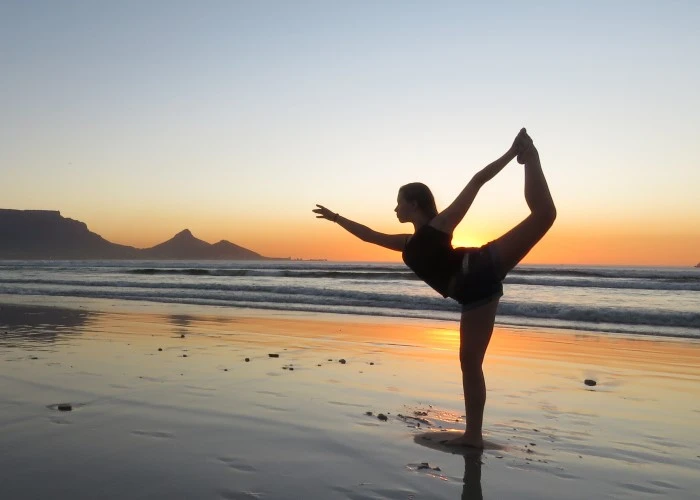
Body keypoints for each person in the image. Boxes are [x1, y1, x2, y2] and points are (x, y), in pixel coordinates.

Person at [313, 128, 556, 448]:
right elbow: (368, 235)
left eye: (399, 203)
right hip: (472, 294)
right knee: (469, 362)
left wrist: (512, 154)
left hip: (481, 267)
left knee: (544, 215)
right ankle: (474, 436)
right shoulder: (407, 243)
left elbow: (476, 181)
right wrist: (336, 218)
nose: (395, 209)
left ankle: (529, 155)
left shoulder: (440, 225)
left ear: (413, 203)